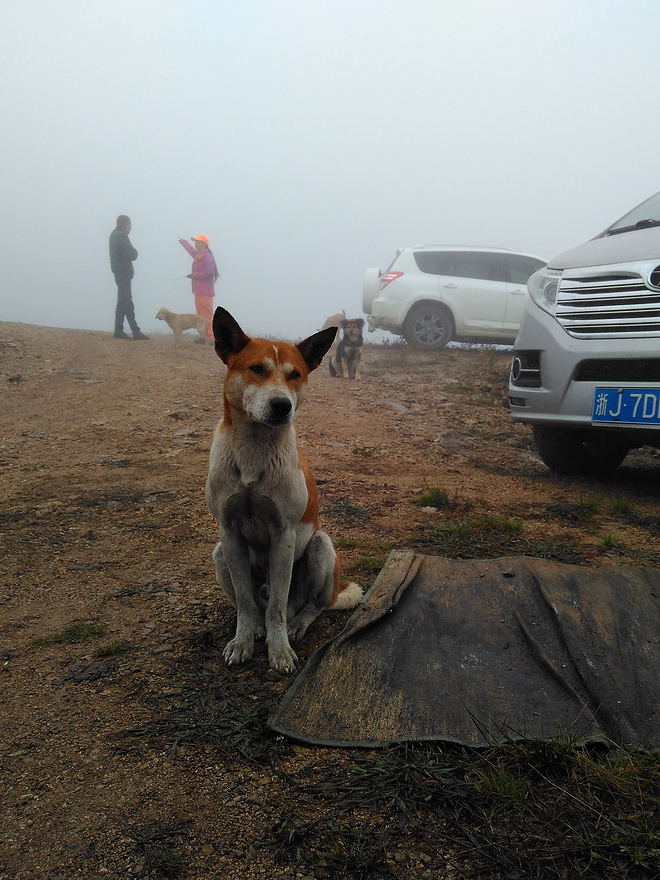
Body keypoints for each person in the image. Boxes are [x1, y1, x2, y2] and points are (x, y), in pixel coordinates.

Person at [109, 215, 149, 340]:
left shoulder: (114, 234)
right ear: (125, 224)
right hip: (123, 271)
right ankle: (119, 330)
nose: (131, 227)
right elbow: (133, 254)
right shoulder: (121, 236)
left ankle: (135, 331)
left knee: (127, 301)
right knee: (124, 301)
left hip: (119, 271)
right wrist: (132, 252)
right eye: (129, 225)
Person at [178, 234, 218, 342]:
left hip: (205, 292)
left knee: (207, 315)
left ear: (204, 244)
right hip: (199, 291)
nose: (195, 243)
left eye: (197, 241)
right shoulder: (200, 255)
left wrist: (195, 275)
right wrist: (184, 243)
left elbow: (210, 273)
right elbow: (191, 251)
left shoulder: (207, 257)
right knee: (201, 315)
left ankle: (210, 336)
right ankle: (204, 335)